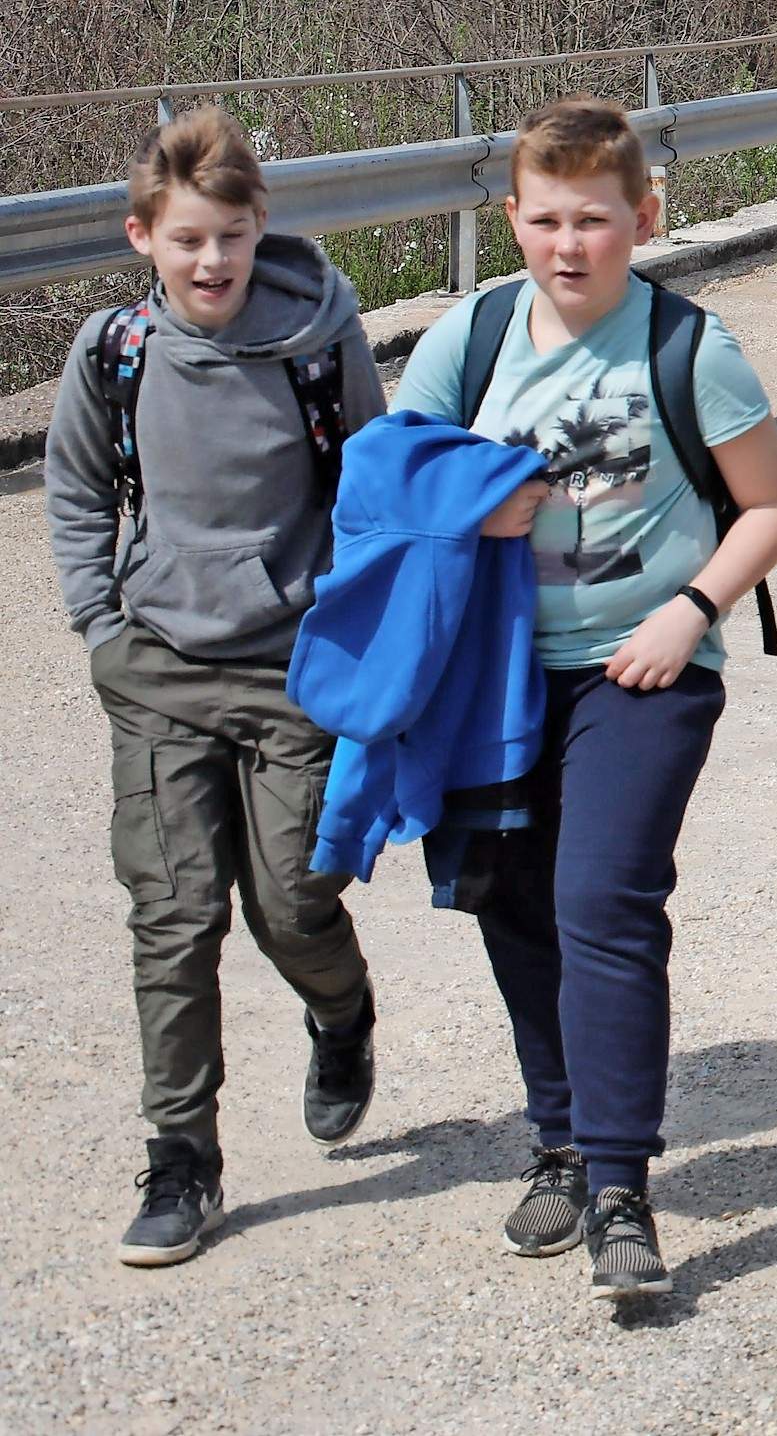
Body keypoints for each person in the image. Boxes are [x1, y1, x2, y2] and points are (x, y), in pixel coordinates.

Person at [393, 100, 777, 1302]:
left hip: (647, 665)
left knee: (602, 898)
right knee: (512, 899)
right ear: (509, 218)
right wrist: (470, 507)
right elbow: (392, 491)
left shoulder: (690, 345)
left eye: (595, 219)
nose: (569, 244)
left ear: (644, 217)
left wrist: (693, 610)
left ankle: (622, 1184)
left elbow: (773, 506)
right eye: (545, 218)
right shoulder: (465, 340)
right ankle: (558, 1140)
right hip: (496, 674)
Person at [45, 107, 388, 1267]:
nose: (211, 261)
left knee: (293, 902)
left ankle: (340, 1012)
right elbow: (80, 488)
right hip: (157, 667)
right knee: (174, 914)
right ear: (144, 234)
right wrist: (100, 623)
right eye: (187, 238)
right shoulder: (114, 350)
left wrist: (354, 631)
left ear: (259, 230)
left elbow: (368, 492)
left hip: (293, 669)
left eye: (231, 236)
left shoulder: (313, 343)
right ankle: (180, 1154)